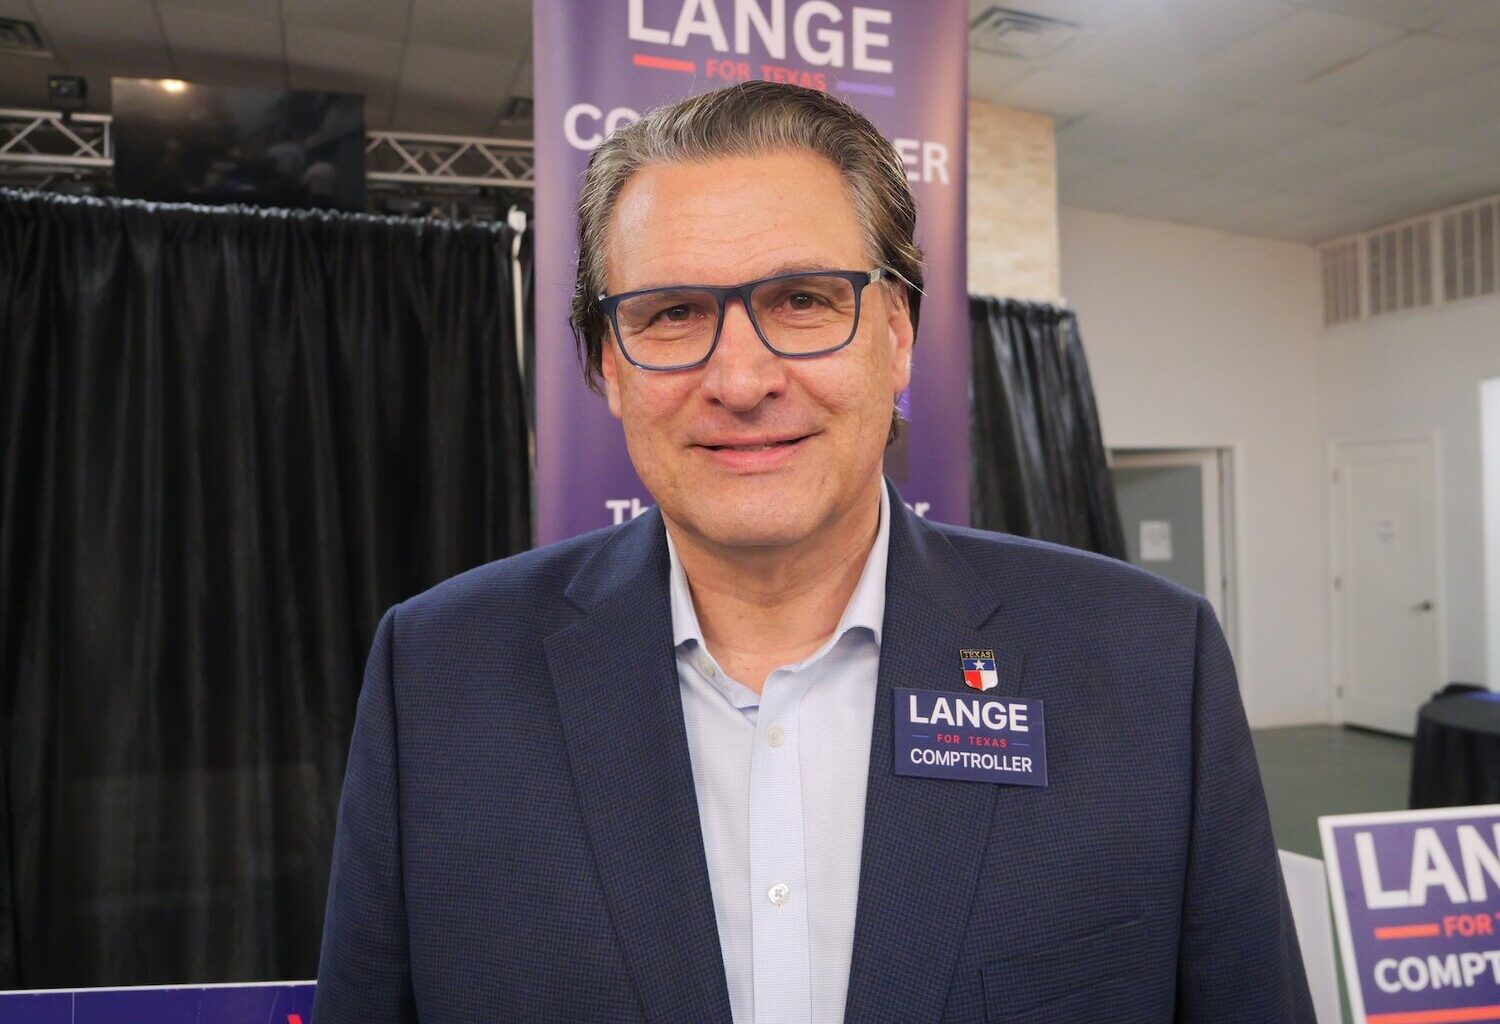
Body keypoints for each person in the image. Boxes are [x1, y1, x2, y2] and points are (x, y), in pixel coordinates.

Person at [313, 81, 1314, 1023]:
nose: (742, 379)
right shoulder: (438, 680)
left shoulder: (1145, 666)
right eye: (672, 313)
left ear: (897, 334)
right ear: (605, 369)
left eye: (801, 300)